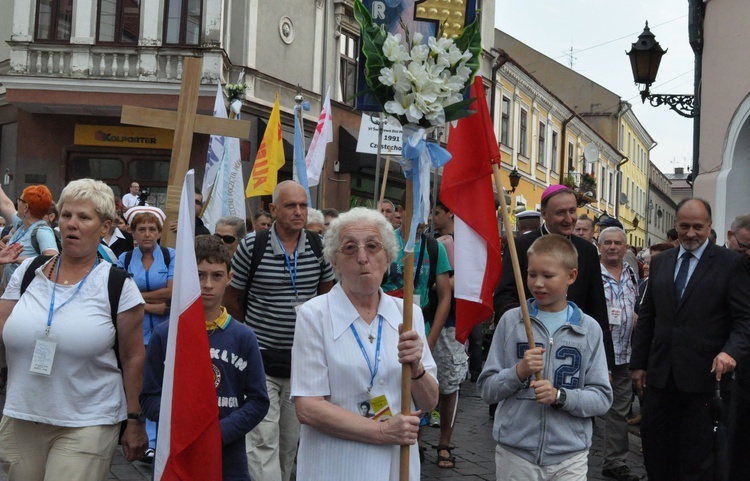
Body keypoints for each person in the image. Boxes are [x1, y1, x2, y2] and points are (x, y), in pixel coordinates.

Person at [0, 178, 148, 479]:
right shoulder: (29, 272)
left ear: (105, 227)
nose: (72, 224)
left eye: (84, 217)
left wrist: (134, 420)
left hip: (88, 419)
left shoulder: (118, 286)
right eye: (67, 215)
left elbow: (133, 357)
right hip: (22, 414)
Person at [291, 207, 438, 481]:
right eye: (349, 248)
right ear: (334, 261)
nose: (362, 258)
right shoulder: (314, 315)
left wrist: (416, 368)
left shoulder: (408, 314)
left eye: (372, 246)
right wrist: (381, 431)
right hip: (336, 465)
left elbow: (429, 401)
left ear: (388, 257)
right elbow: (308, 407)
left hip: (396, 465)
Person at [630, 198, 750, 481]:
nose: (691, 233)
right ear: (676, 226)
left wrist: (731, 352)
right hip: (660, 379)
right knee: (656, 451)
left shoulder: (731, 264)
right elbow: (648, 317)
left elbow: (745, 319)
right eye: (685, 226)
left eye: (698, 227)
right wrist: (638, 364)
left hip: (705, 381)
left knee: (697, 460)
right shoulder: (660, 262)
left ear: (709, 226)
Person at [223, 180, 334, 481]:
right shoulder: (252, 245)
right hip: (261, 360)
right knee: (261, 440)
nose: (299, 212)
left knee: (289, 442)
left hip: (303, 362)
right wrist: (250, 333)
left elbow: (326, 298)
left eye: (303, 205)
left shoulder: (318, 246)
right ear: (272, 210)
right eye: (290, 206)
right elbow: (232, 296)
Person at [478, 234, 612, 481]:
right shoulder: (512, 322)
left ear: (571, 276)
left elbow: (602, 398)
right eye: (531, 274)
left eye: (548, 276)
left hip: (569, 456)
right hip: (516, 454)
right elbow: (487, 389)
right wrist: (518, 372)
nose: (537, 283)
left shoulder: (588, 329)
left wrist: (561, 397)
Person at [140, 235, 269, 481]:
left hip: (228, 457)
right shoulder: (165, 335)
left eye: (216, 275)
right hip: (178, 452)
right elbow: (149, 397)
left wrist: (217, 434)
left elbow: (258, 401)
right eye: (199, 275)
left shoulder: (244, 337)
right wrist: (183, 424)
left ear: (229, 278)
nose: (208, 284)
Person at [493, 184, 615, 370]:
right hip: (528, 343)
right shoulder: (521, 245)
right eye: (561, 213)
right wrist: (524, 324)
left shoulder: (587, 250)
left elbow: (596, 304)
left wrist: (606, 364)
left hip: (574, 344)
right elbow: (505, 295)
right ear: (544, 214)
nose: (569, 219)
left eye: (572, 211)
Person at [118, 205, 176, 463]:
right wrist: (152, 306)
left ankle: (159, 438)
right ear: (133, 232)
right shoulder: (124, 259)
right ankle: (146, 439)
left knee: (162, 386)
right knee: (140, 386)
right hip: (136, 332)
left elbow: (172, 292)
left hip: (164, 335)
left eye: (152, 229)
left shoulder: (170, 255)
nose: (147, 234)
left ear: (160, 232)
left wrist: (137, 297)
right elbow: (120, 292)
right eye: (141, 229)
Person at [428, 199, 469, 468]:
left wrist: (440, 282)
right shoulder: (433, 241)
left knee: (449, 383)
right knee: (420, 380)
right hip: (425, 317)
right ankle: (416, 436)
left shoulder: (458, 243)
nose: (433, 217)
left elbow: (466, 278)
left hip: (451, 320)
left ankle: (445, 441)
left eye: (437, 212)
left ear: (450, 212)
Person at [597, 227, 639, 481]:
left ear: (625, 247)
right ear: (600, 246)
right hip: (597, 353)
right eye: (608, 243)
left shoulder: (631, 273)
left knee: (619, 411)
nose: (613, 247)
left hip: (624, 353)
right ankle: (572, 454)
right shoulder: (591, 273)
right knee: (584, 406)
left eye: (618, 243)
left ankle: (614, 461)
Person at [725, 213, 750, 481]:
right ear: (731, 237)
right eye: (744, 247)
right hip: (724, 366)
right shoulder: (719, 266)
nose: (748, 253)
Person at [0, 184, 59, 285]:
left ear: (26, 207)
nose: (17, 203)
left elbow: (52, 259)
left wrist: (18, 259)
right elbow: (6, 204)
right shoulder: (21, 224)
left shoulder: (42, 231)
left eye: (19, 200)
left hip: (25, 294)